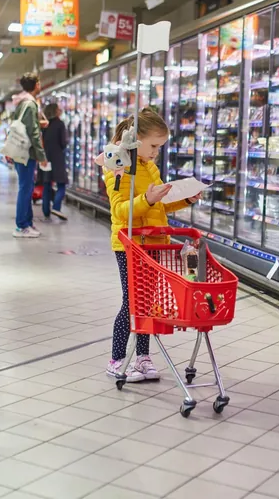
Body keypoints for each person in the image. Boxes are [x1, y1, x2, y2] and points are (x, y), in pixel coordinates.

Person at [104, 108, 200, 382]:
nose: (157, 151)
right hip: (130, 245)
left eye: (161, 147)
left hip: (155, 243)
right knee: (132, 302)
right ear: (136, 138)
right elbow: (120, 211)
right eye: (154, 145)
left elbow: (160, 203)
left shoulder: (150, 167)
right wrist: (146, 198)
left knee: (147, 303)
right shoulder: (117, 167)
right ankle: (117, 359)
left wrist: (186, 199)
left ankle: (143, 358)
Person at [11, 73, 48, 238]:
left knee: (26, 187)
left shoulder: (22, 102)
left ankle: (27, 223)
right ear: (36, 85)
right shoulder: (30, 104)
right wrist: (41, 155)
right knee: (25, 188)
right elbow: (33, 132)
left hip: (21, 151)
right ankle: (21, 226)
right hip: (26, 152)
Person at [40, 103, 68, 221]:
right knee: (61, 184)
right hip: (57, 158)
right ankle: (56, 207)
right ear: (55, 111)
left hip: (46, 158)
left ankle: (46, 211)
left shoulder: (45, 125)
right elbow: (63, 142)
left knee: (47, 184)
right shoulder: (60, 124)